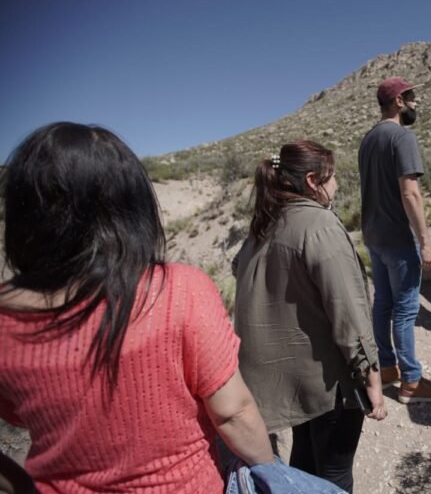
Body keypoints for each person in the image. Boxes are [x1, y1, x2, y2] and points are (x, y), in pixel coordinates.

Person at [0, 122, 276, 493]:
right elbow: (234, 412)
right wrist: (272, 474)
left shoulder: (6, 321)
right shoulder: (180, 290)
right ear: (131, 206)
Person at [232, 141, 387, 493]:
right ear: (314, 180)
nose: (337, 187)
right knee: (333, 477)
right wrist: (372, 377)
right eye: (332, 179)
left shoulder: (265, 222)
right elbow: (348, 308)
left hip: (289, 382)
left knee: (303, 466)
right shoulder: (319, 224)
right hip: (328, 383)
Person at [358, 77, 431, 404]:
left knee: (382, 303)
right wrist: (425, 242)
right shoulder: (402, 137)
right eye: (411, 98)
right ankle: (411, 380)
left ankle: (386, 367)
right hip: (397, 237)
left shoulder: (368, 139)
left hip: (373, 236)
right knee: (406, 310)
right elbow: (410, 193)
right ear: (398, 101)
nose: (416, 103)